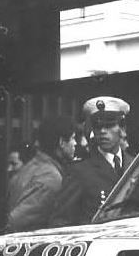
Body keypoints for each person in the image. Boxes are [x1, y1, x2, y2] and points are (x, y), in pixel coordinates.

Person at [50, 96, 133, 226]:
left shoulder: (136, 165)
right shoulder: (80, 171)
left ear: (122, 129)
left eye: (109, 125)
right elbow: (61, 221)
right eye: (98, 126)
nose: (103, 131)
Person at [5, 117, 77, 233]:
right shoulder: (50, 178)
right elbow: (16, 221)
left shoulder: (32, 166)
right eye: (73, 138)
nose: (75, 143)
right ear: (61, 142)